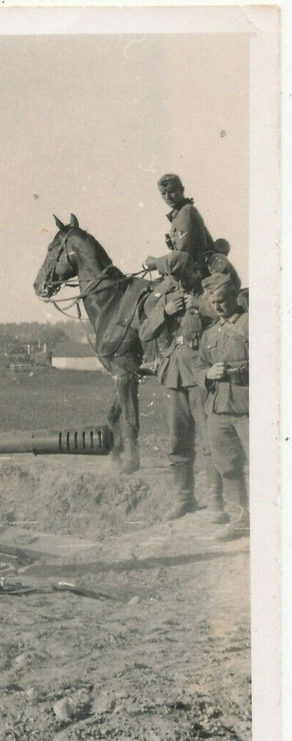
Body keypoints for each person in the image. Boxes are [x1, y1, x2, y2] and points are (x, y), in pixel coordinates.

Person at [139, 249, 222, 520]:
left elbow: (225, 318)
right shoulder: (166, 296)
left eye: (182, 276)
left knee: (210, 441)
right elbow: (145, 331)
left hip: (200, 375)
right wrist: (165, 311)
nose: (178, 281)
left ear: (192, 272)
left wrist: (197, 304)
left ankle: (216, 502)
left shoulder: (207, 290)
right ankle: (184, 499)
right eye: (174, 277)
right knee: (178, 441)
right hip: (173, 376)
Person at [199, 270, 249, 535]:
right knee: (227, 466)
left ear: (234, 295)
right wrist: (207, 374)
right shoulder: (210, 334)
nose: (217, 306)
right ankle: (240, 521)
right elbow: (199, 366)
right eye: (212, 302)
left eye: (221, 300)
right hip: (218, 408)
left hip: (249, 407)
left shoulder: (250, 324)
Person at [157, 174, 216, 268]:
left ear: (182, 190)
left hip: (199, 274)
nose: (167, 197)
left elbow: (182, 257)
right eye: (163, 193)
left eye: (171, 191)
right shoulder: (178, 214)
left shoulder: (186, 212)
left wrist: (155, 263)